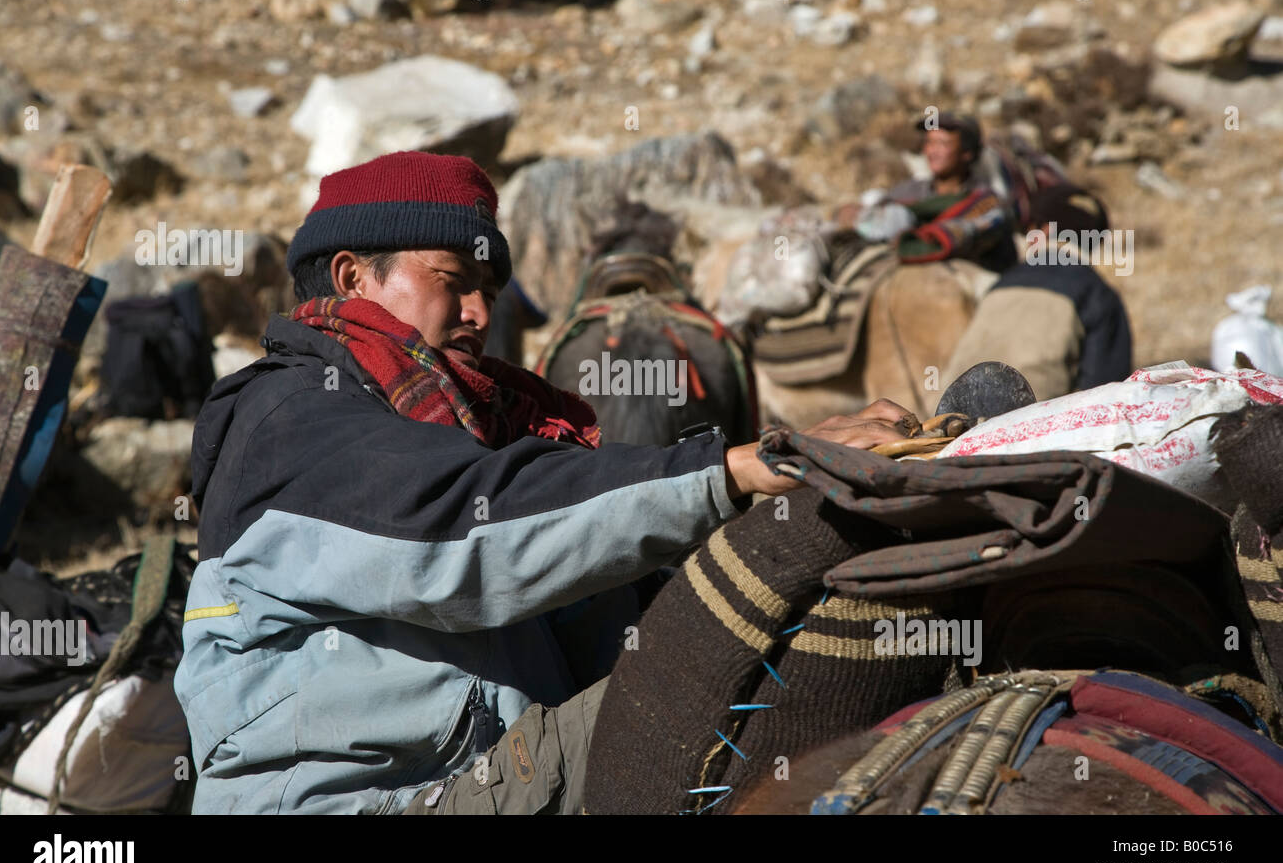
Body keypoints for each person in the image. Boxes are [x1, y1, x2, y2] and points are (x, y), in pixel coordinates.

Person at [173, 150, 912, 814]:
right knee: (704, 709)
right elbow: (459, 530)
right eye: (454, 282)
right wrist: (732, 469)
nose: (480, 313)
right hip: (371, 805)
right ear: (352, 277)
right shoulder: (289, 412)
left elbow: (611, 603)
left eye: (489, 291)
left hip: (482, 779)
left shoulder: (488, 434)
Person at [941, 183, 1133, 401]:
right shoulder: (1099, 294)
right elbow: (1107, 395)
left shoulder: (999, 285)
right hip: (1030, 427)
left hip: (949, 426)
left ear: (1044, 230)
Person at [842, 111, 1018, 273]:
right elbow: (867, 216)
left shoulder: (985, 203)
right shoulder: (909, 191)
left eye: (943, 143)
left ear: (967, 153)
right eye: (929, 142)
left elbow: (970, 235)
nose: (932, 151)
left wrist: (916, 239)